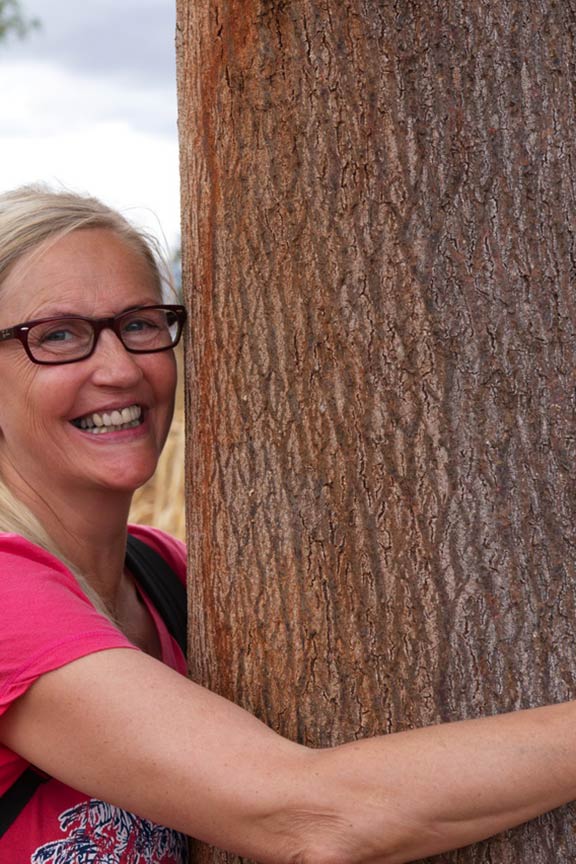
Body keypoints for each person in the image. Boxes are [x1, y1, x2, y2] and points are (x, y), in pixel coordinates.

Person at [0, 184, 574, 864]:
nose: (120, 368)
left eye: (140, 324)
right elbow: (307, 817)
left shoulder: (167, 573)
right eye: (58, 336)